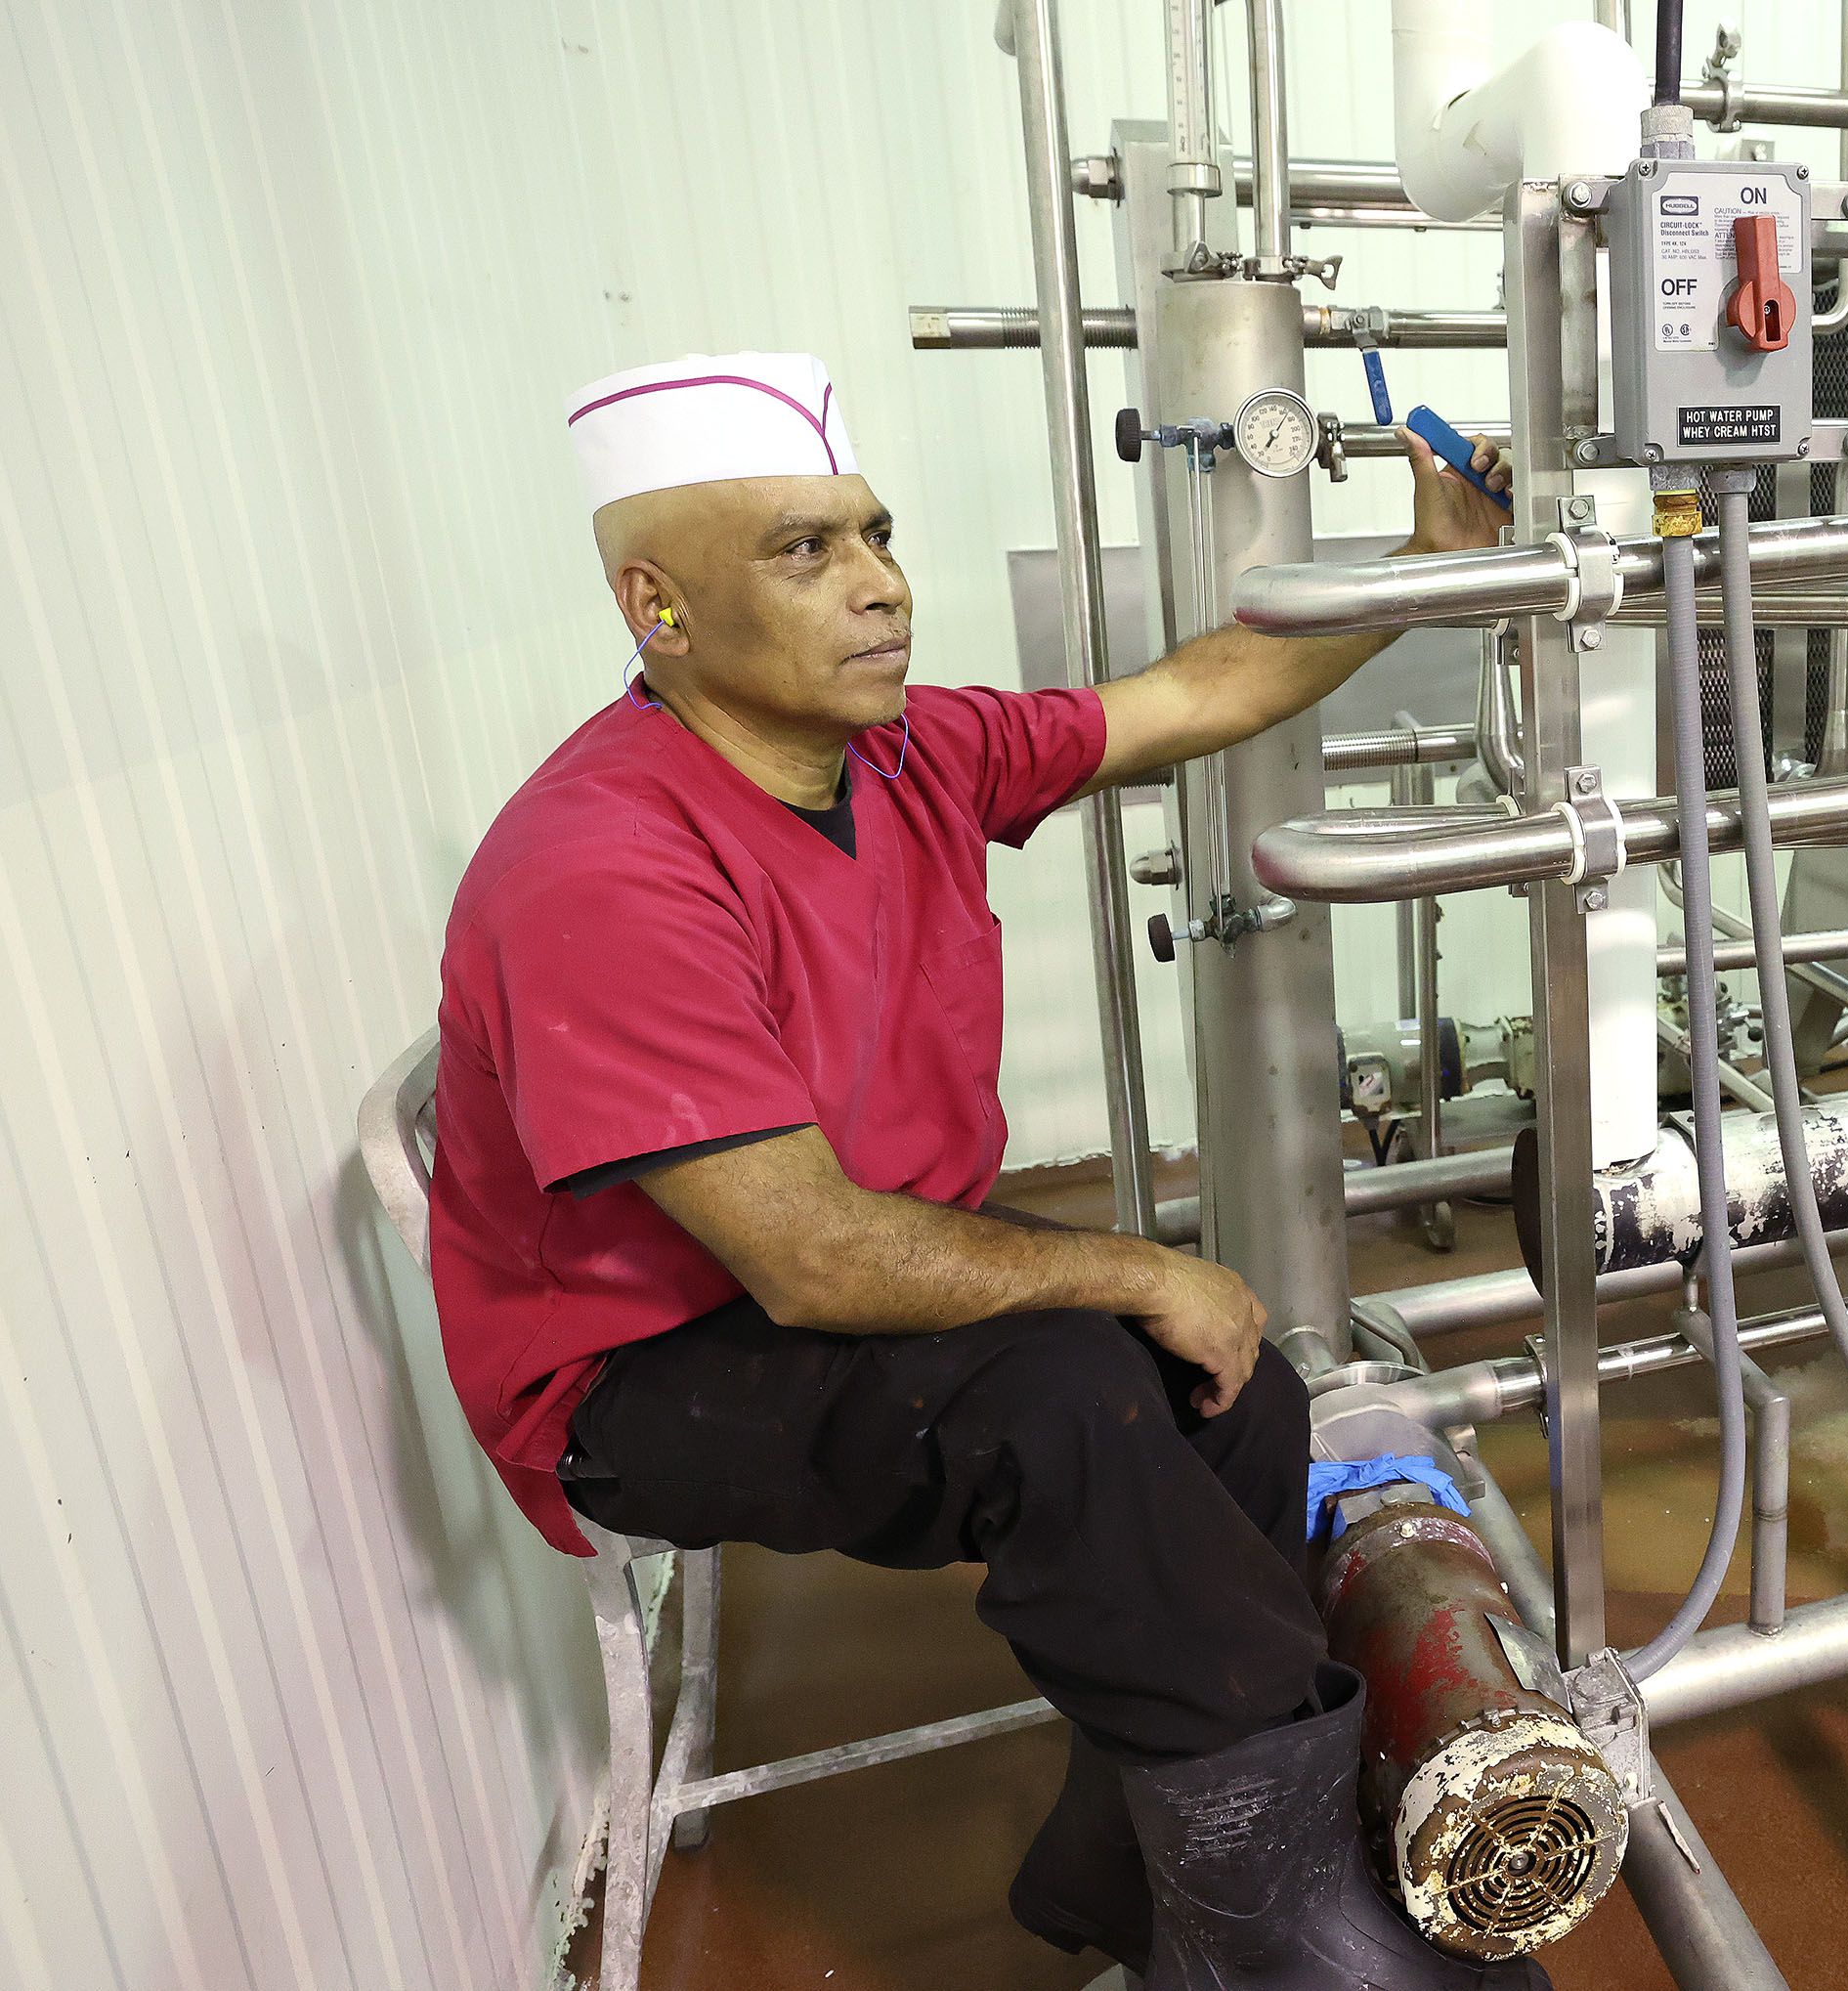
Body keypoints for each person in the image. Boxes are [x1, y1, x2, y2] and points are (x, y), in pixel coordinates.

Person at [428, 352, 1538, 1987]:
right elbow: (806, 1259)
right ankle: (1289, 1941)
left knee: (1242, 1391)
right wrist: (1140, 1264)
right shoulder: (603, 862)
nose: (883, 585)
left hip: (859, 1265)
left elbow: (1202, 692)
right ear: (657, 607)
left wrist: (1434, 564)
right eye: (806, 550)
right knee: (1070, 1395)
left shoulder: (905, 754)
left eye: (875, 534)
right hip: (640, 1359)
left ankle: (1163, 1880)